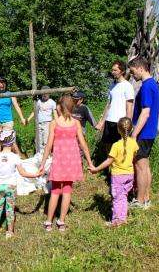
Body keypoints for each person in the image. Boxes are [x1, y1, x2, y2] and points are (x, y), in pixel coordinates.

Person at [39, 95, 93, 232]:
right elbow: (83, 144)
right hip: (72, 161)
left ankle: (48, 222)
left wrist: (42, 163)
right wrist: (90, 162)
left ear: (59, 107)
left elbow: (48, 145)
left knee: (56, 190)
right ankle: (61, 221)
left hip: (59, 160)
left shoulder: (54, 123)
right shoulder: (76, 123)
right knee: (67, 190)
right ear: (71, 107)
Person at [0, 130, 44, 238]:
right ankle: (9, 231)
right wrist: (36, 175)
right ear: (13, 141)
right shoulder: (15, 157)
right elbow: (23, 173)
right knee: (10, 208)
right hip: (11, 187)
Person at [90, 117, 138, 227]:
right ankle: (123, 218)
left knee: (117, 198)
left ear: (118, 130)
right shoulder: (133, 143)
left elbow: (109, 161)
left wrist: (96, 169)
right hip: (130, 174)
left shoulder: (116, 145)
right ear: (131, 129)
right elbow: (134, 156)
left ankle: (116, 221)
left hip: (118, 176)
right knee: (123, 196)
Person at [128, 57, 159, 209]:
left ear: (141, 68)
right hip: (150, 132)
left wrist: (134, 134)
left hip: (143, 133)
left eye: (133, 72)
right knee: (145, 166)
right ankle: (146, 198)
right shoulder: (153, 84)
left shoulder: (147, 86)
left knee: (140, 167)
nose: (133, 75)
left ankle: (140, 201)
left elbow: (145, 112)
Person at [96, 61, 135, 148]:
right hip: (109, 120)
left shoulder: (127, 86)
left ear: (122, 71)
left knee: (119, 147)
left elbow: (129, 107)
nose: (112, 72)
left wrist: (127, 124)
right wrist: (102, 122)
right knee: (108, 146)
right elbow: (108, 105)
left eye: (115, 70)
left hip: (119, 122)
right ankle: (111, 162)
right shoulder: (112, 85)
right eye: (112, 70)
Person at [0, 76, 26, 154]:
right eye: (0, 83)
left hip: (8, 121)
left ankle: (14, 159)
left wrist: (22, 118)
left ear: (5, 84)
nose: (1, 85)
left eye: (3, 83)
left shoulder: (11, 94)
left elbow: (16, 106)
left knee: (9, 142)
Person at [26, 86, 58, 152]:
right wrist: (28, 119)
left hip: (47, 123)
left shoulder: (52, 102)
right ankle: (39, 154)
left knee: (46, 139)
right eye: (43, 93)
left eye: (46, 93)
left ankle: (47, 154)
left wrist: (58, 123)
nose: (45, 95)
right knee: (38, 139)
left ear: (49, 94)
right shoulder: (39, 102)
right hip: (39, 123)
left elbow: (55, 114)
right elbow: (35, 111)